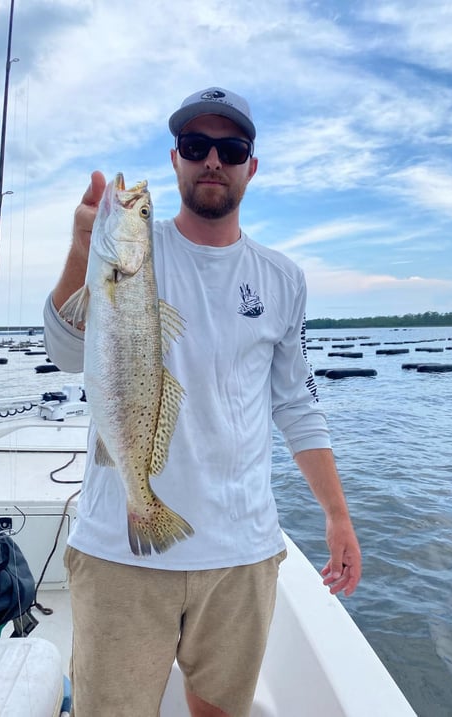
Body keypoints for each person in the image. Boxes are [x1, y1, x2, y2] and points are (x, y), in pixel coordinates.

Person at [44, 87, 362, 717]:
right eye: (196, 146)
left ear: (251, 165)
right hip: (119, 548)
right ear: (175, 159)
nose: (212, 160)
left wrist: (338, 515)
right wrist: (84, 250)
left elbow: (297, 402)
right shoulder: (135, 251)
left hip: (241, 553)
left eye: (230, 148)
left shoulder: (282, 278)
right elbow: (63, 352)